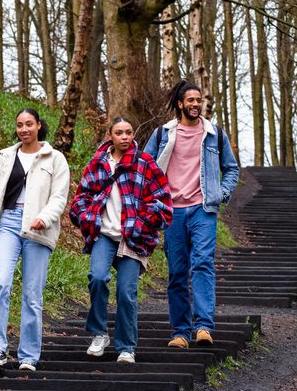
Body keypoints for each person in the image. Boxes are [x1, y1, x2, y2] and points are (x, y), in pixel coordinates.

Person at [142, 79, 239, 348]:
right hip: (171, 211)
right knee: (177, 271)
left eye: (199, 100)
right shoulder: (163, 133)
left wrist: (221, 193)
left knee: (203, 264)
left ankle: (204, 327)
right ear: (180, 104)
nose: (196, 104)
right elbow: (144, 167)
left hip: (203, 209)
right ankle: (180, 332)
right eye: (191, 100)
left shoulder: (213, 133)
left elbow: (231, 168)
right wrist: (152, 201)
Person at [70, 117, 172, 364]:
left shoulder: (145, 163)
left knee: (126, 292)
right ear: (110, 136)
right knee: (97, 277)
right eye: (119, 133)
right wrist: (87, 217)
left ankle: (126, 347)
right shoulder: (98, 163)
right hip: (104, 234)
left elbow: (163, 201)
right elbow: (80, 197)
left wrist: (142, 222)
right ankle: (99, 334)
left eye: (128, 132)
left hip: (133, 236)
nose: (125, 137)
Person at [0, 109, 70, 372]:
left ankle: (29, 354)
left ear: (39, 126)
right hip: (7, 221)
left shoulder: (55, 159)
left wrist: (45, 217)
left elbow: (59, 197)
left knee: (32, 293)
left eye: (29, 124)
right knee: (0, 282)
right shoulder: (4, 158)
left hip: (38, 227)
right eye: (19, 125)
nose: (24, 129)